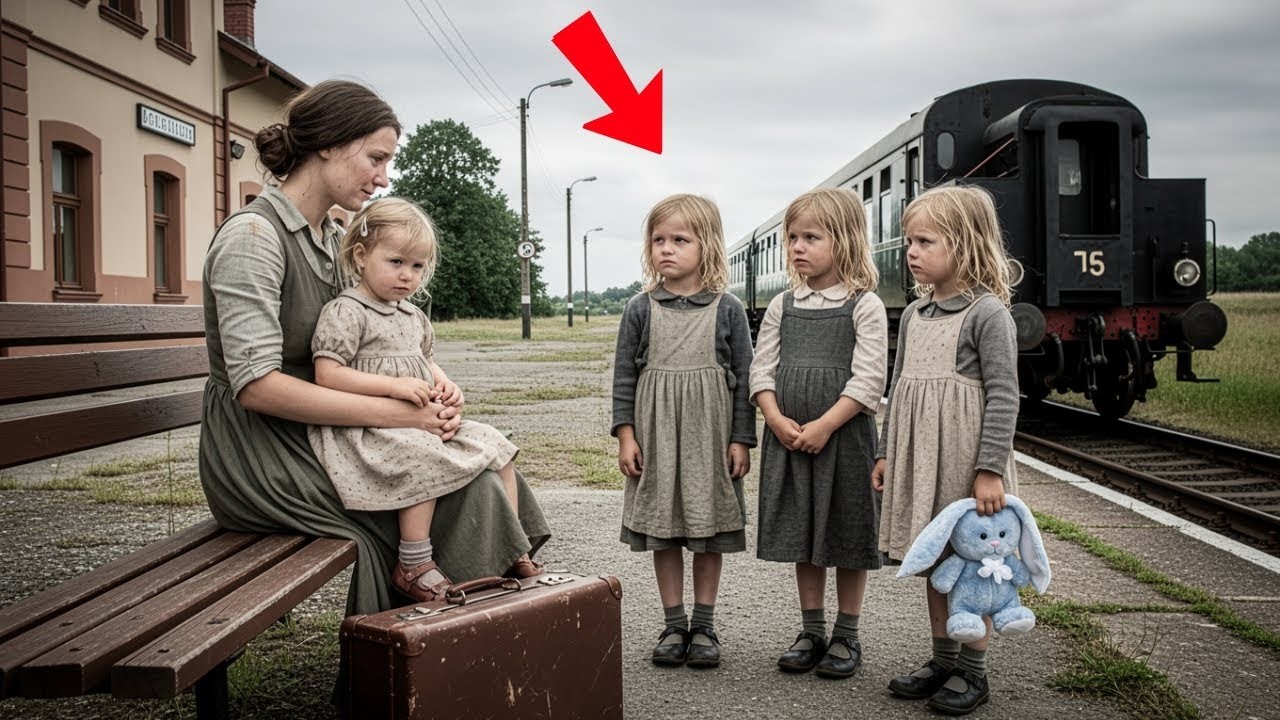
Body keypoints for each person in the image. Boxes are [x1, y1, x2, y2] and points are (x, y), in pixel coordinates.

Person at [200, 80, 549, 617]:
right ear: (329, 144)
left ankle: (470, 643)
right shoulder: (253, 237)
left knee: (479, 461)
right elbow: (256, 387)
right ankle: (415, 670)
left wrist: (428, 397)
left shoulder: (328, 239)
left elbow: (377, 339)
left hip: (320, 431)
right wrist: (402, 415)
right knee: (465, 487)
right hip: (260, 452)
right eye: (376, 158)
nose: (384, 177)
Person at [306, 198, 542, 603]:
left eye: (417, 267)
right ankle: (413, 561)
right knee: (423, 455)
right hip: (370, 429)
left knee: (497, 446)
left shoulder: (412, 316)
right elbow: (328, 374)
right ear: (361, 256)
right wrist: (393, 388)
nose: (407, 276)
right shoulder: (347, 311)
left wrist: (448, 385)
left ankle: (512, 545)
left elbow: (427, 361)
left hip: (418, 421)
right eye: (396, 262)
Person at [872, 185, 1020, 715]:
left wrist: (990, 469)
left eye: (924, 241)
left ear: (965, 243)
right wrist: (887, 450)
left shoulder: (987, 315)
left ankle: (973, 670)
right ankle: (943, 659)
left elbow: (1004, 394)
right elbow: (899, 386)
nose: (910, 252)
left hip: (964, 461)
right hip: (920, 458)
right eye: (909, 241)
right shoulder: (914, 315)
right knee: (936, 560)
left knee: (974, 563)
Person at [612, 194, 756, 669]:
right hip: (656, 436)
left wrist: (741, 438)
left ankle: (705, 624)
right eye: (658, 240)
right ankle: (674, 623)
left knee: (707, 529)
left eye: (679, 239)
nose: (666, 249)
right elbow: (624, 377)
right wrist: (626, 434)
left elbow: (744, 380)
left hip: (709, 438)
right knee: (665, 529)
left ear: (707, 245)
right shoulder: (639, 308)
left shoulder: (728, 308)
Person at [750, 187, 888, 679]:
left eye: (811, 237)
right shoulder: (782, 305)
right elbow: (761, 369)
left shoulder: (864, 305)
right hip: (789, 439)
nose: (796, 247)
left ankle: (847, 635)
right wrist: (774, 417)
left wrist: (827, 424)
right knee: (804, 532)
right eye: (792, 237)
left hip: (844, 438)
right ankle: (811, 630)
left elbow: (869, 378)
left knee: (847, 531)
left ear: (845, 240)